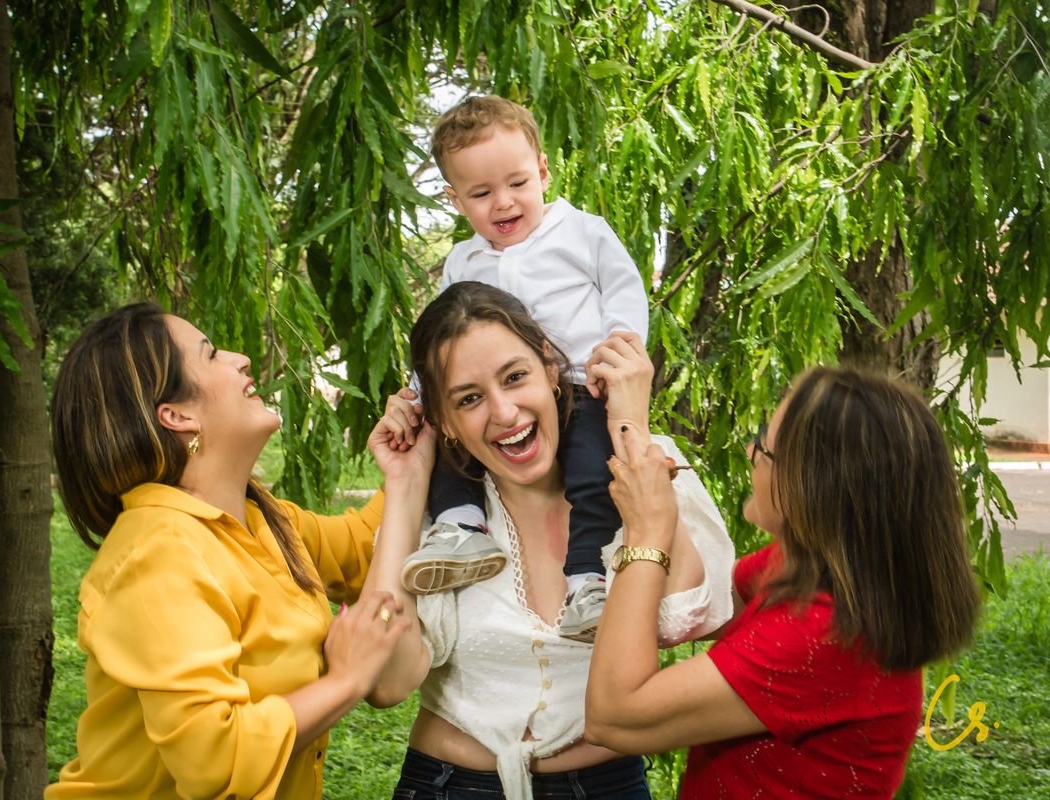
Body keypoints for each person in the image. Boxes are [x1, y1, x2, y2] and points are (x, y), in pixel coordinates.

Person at [44, 302, 434, 800]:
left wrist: (411, 458)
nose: (241, 358)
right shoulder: (158, 553)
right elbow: (216, 761)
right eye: (210, 355)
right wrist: (347, 680)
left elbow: (364, 549)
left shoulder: (262, 520)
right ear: (177, 415)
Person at [365, 282, 735, 800]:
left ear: (550, 366)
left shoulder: (640, 462)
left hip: (608, 787)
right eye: (469, 399)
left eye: (515, 377)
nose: (505, 412)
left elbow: (682, 616)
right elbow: (386, 681)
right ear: (445, 420)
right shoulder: (442, 517)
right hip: (448, 785)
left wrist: (630, 428)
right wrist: (404, 487)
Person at [586, 361, 982, 799]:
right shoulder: (814, 573)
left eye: (765, 449)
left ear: (814, 487)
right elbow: (699, 607)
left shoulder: (824, 632)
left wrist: (646, 532)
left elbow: (614, 716)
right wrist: (631, 430)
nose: (751, 453)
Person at [400, 95, 650, 642]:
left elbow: (624, 290)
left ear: (542, 171)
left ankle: (586, 578)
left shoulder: (581, 231)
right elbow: (441, 336)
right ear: (455, 200)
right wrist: (418, 394)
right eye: (482, 194)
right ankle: (461, 526)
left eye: (517, 183)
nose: (504, 203)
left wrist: (620, 349)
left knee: (590, 475)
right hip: (495, 392)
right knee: (449, 441)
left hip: (584, 387)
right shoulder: (464, 261)